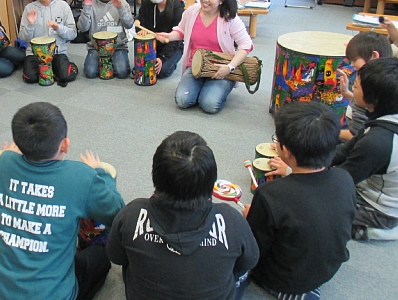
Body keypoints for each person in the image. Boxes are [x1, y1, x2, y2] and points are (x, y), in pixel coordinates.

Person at [0, 102, 125, 300]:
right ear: (65, 145)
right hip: (52, 295)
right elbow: (117, 212)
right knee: (99, 257)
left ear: (16, 141)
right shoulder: (81, 176)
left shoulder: (4, 162)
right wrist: (101, 173)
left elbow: (10, 159)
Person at [107, 131, 259, 300]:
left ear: (155, 176)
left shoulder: (131, 214)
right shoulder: (232, 219)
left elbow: (116, 257)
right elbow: (249, 261)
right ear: (211, 183)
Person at [242, 102, 355, 299]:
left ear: (286, 151)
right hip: (328, 269)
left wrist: (250, 218)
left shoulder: (270, 194)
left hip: (283, 279)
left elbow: (254, 248)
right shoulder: (344, 179)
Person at [156, 0, 253, 114]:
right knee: (182, 100)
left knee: (209, 105)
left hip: (221, 69)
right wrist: (169, 36)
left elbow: (246, 45)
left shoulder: (229, 18)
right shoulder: (192, 11)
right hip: (196, 66)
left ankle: (217, 87)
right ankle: (204, 87)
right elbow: (182, 30)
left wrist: (230, 67)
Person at [331, 58, 398, 241]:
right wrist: (305, 157)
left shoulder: (377, 142)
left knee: (316, 209)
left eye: (357, 85)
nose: (352, 86)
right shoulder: (384, 117)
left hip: (381, 211)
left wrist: (296, 170)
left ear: (373, 99)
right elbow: (346, 151)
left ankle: (376, 231)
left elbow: (342, 180)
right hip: (378, 185)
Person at [18, 0, 78, 85]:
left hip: (57, 52)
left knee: (66, 76)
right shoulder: (29, 8)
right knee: (30, 78)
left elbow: (73, 34)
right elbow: (23, 38)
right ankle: (51, 70)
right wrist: (31, 24)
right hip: (35, 54)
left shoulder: (63, 6)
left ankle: (62, 67)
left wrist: (58, 28)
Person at [77, 0, 135, 79]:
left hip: (118, 47)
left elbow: (129, 24)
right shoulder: (92, 4)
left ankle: (109, 63)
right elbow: (82, 28)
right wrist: (87, 8)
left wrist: (120, 9)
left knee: (122, 73)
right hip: (96, 47)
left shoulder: (122, 3)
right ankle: (105, 63)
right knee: (90, 72)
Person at [337, 31, 392, 141]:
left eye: (355, 60)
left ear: (374, 56)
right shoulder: (382, 79)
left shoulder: (370, 87)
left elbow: (355, 135)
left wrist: (326, 131)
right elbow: (361, 104)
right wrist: (346, 92)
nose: (352, 65)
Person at [135, 0, 185, 79]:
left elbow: (177, 39)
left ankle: (170, 61)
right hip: (153, 44)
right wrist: (140, 29)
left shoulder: (177, 7)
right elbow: (140, 22)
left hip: (173, 46)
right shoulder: (147, 3)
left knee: (161, 72)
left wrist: (162, 58)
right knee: (143, 68)